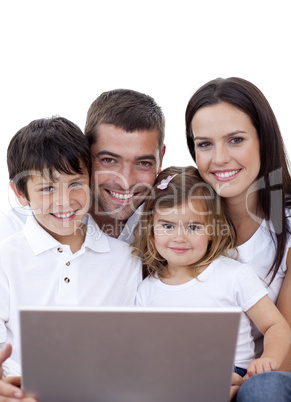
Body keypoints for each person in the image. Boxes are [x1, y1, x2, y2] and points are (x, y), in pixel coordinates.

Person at [0, 117, 142, 398]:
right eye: (47, 188)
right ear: (20, 193)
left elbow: (136, 345)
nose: (65, 201)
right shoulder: (6, 258)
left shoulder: (126, 260)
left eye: (75, 183)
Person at [133, 165, 290, 398]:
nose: (179, 237)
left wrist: (268, 360)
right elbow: (144, 352)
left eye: (193, 226)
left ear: (213, 231)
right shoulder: (146, 291)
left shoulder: (233, 275)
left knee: (264, 390)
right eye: (167, 226)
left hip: (238, 374)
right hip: (180, 379)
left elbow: (275, 325)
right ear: (151, 230)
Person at [185, 77, 291, 399]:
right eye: (204, 144)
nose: (218, 158)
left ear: (264, 140)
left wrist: (233, 388)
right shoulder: (181, 225)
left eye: (235, 140)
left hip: (264, 382)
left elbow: (285, 357)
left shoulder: (286, 229)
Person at [0, 89, 166, 244]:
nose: (125, 182)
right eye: (109, 160)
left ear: (161, 158)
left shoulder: (173, 223)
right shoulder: (13, 234)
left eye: (144, 163)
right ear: (85, 153)